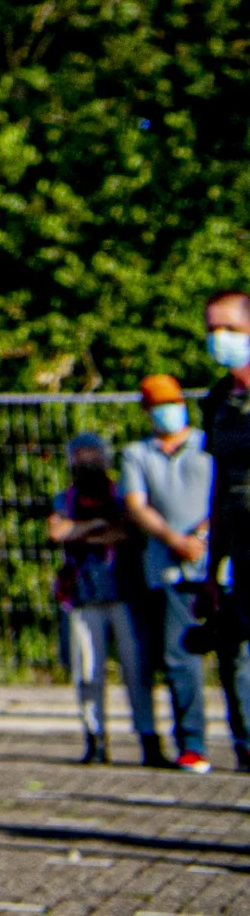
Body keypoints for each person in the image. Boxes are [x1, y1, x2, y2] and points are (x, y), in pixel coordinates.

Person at [122, 373, 217, 772]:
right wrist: (174, 538)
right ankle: (192, 745)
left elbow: (229, 489)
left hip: (218, 566)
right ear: (147, 411)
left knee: (237, 657)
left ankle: (246, 742)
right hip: (167, 570)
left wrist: (206, 531)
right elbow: (136, 504)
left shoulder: (207, 444)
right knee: (180, 659)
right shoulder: (136, 453)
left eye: (172, 401)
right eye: (159, 404)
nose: (168, 409)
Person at [47, 431, 147, 766]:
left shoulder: (119, 492)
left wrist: (82, 529)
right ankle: (96, 738)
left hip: (123, 591)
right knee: (88, 670)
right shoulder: (66, 497)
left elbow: (126, 531)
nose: (87, 461)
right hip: (82, 593)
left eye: (93, 454)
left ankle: (148, 736)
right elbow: (58, 532)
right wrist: (97, 528)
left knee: (136, 669)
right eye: (80, 455)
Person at [198, 290, 250, 762]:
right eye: (213, 329)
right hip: (237, 550)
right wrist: (211, 567)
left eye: (231, 328)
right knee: (235, 656)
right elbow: (216, 489)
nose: (221, 338)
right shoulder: (218, 400)